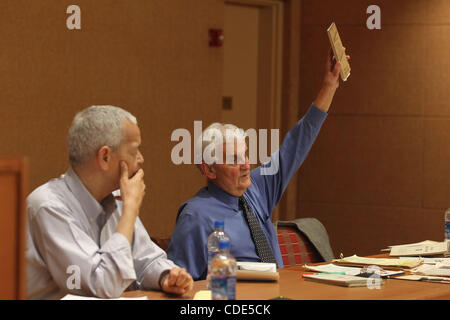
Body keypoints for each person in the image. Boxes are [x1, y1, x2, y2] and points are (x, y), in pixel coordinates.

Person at [167, 49, 348, 280]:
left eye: (245, 155)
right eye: (233, 159)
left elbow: (296, 145)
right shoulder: (196, 216)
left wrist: (329, 85)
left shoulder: (257, 188)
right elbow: (180, 284)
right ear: (209, 169)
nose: (245, 165)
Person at [26, 106, 193, 299]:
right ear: (105, 157)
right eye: (134, 151)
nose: (141, 158)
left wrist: (166, 276)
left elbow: (146, 260)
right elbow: (103, 285)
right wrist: (131, 209)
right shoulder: (48, 206)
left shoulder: (115, 198)